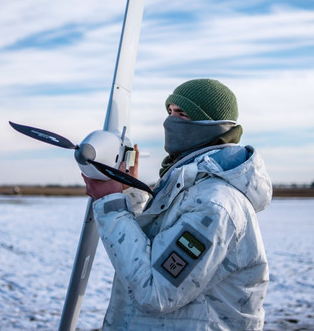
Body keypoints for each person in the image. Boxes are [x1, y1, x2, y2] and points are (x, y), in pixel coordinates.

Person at [82, 78, 273, 330]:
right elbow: (153, 249)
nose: (170, 121)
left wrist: (110, 204)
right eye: (170, 112)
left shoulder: (216, 205)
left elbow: (155, 292)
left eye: (182, 114)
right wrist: (128, 193)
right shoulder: (189, 185)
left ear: (214, 125)